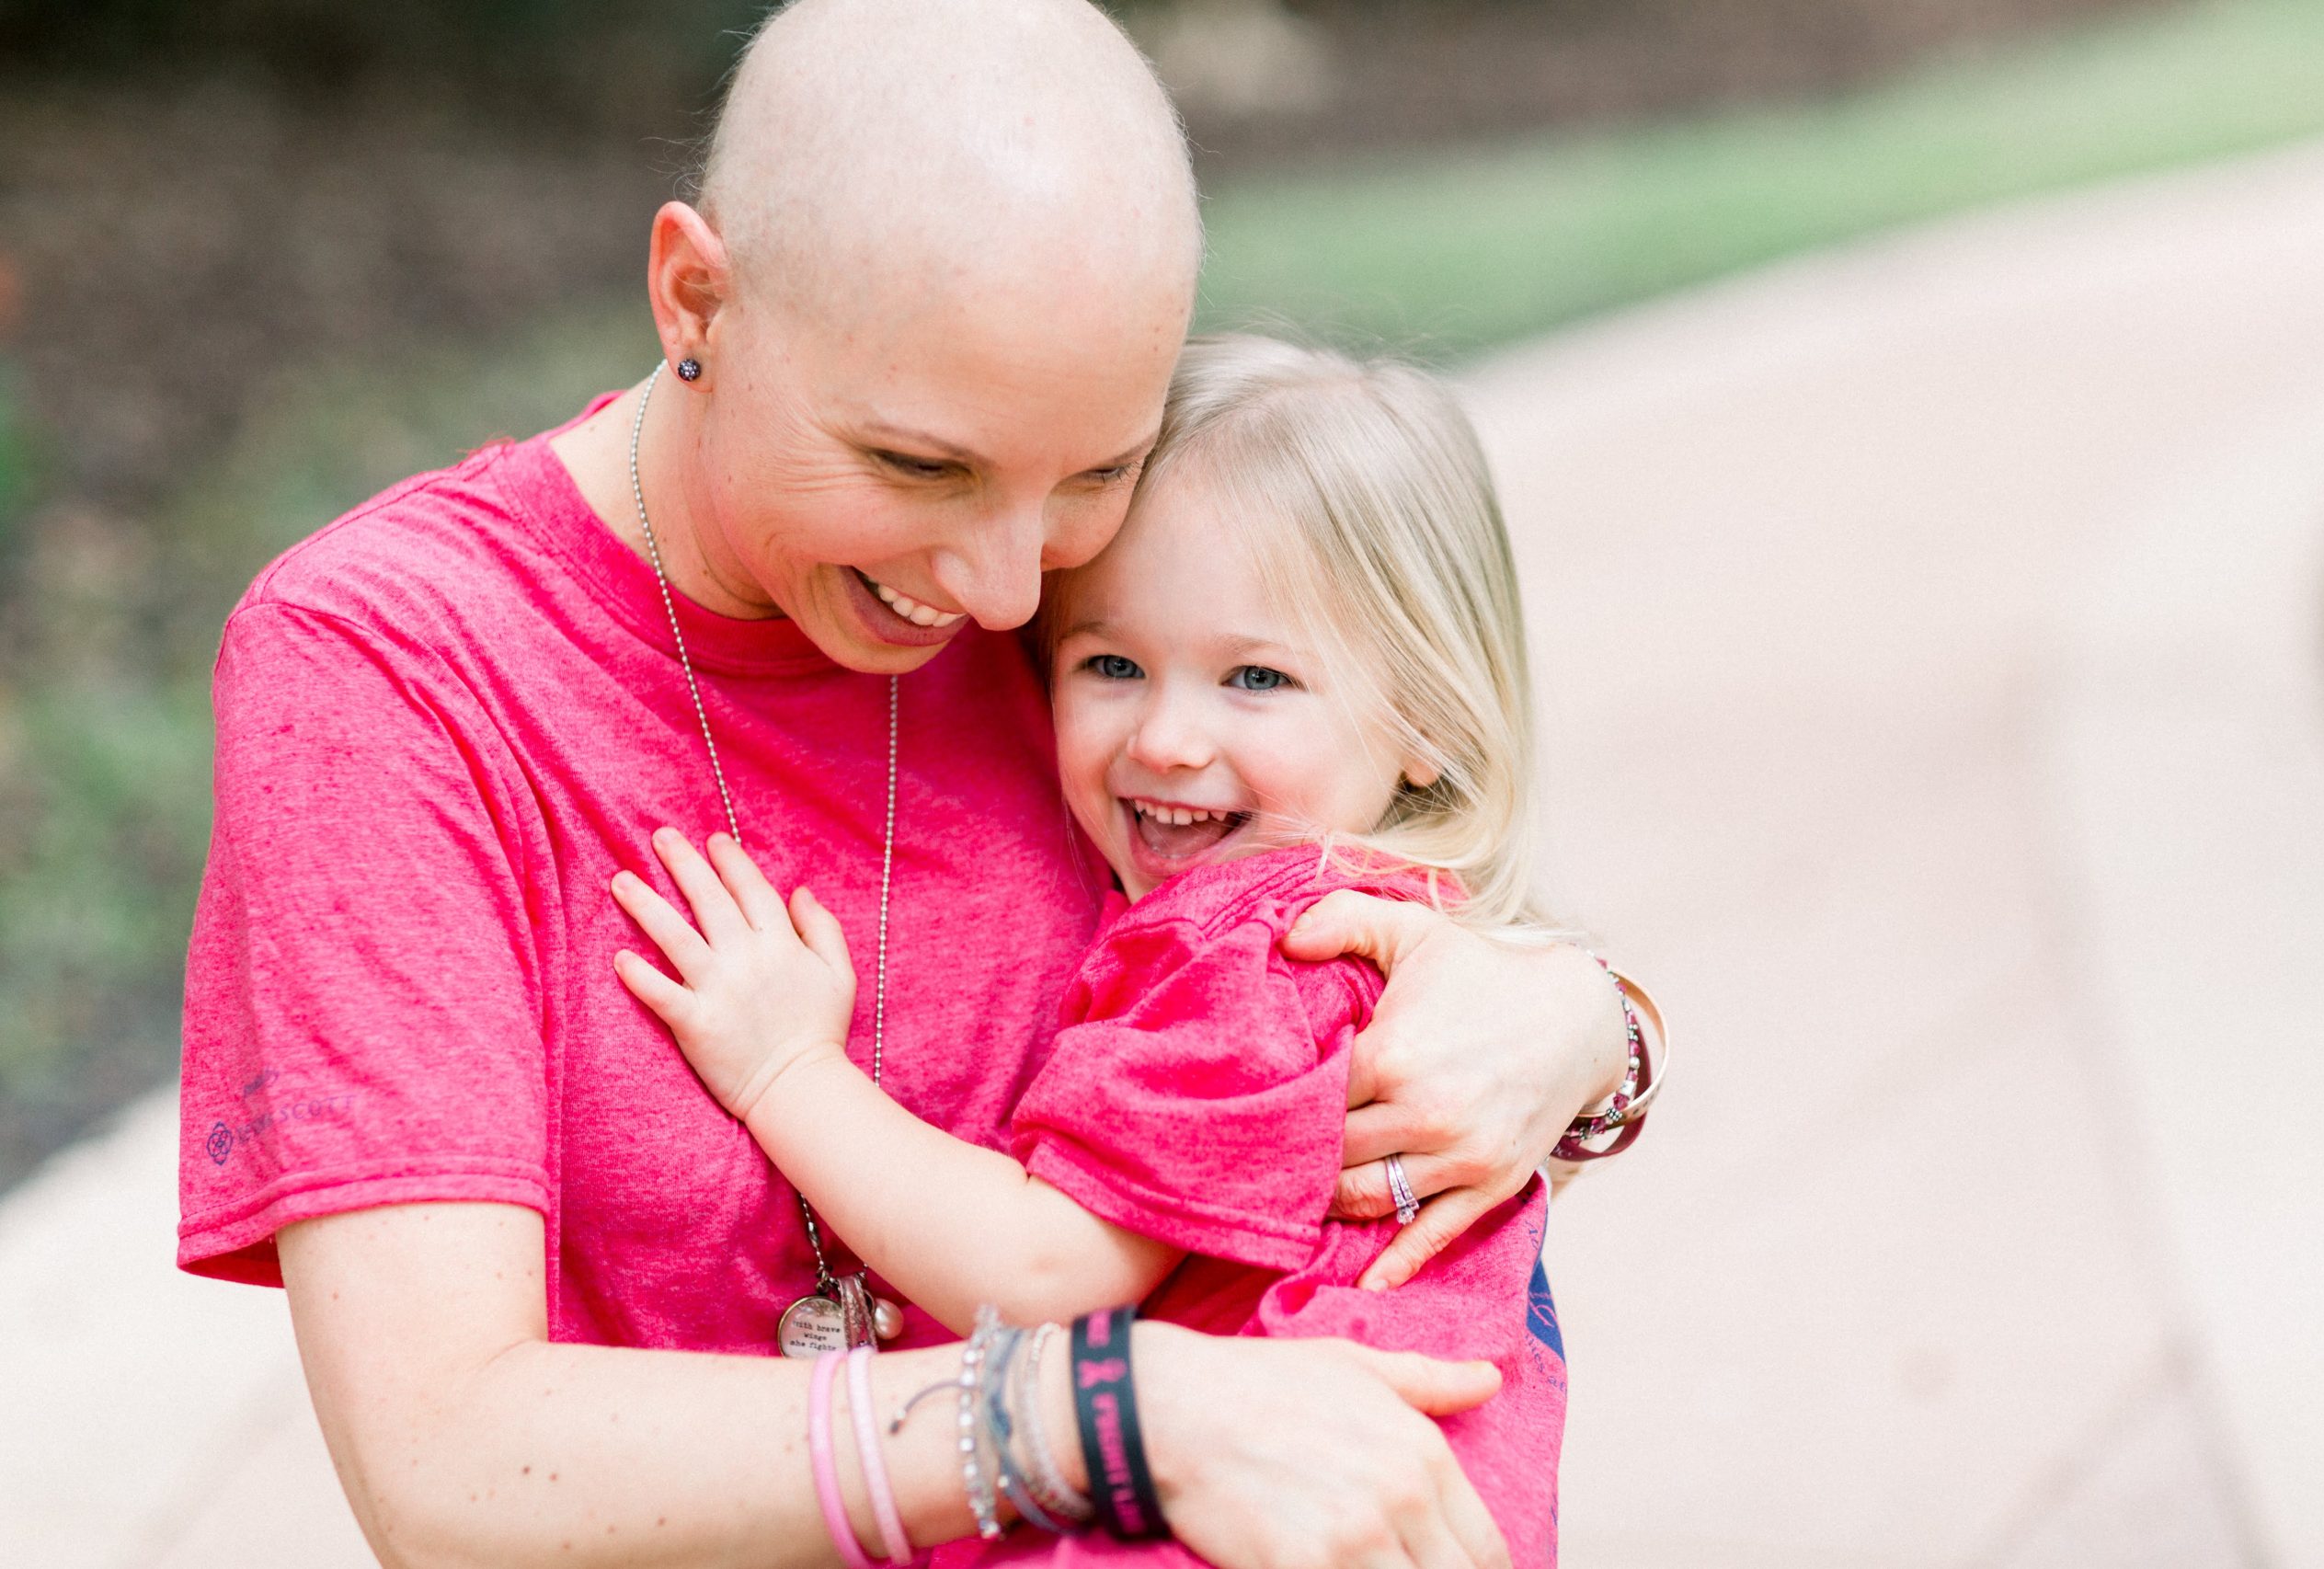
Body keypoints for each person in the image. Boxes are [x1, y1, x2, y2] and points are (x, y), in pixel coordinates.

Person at [175, 4, 1635, 1565]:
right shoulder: (396, 665)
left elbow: (1335, 858)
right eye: (920, 469)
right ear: (697, 298)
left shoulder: (1102, 622)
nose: (1006, 594)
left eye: (1091, 470)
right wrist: (1094, 1412)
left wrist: (1585, 1022)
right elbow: (450, 1469)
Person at [615, 334, 1643, 1569]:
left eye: (1254, 676)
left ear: (1427, 717)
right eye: (1110, 662)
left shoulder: (1256, 948)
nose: (1165, 734)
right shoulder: (1394, 922)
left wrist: (787, 1069)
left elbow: (1046, 1269)